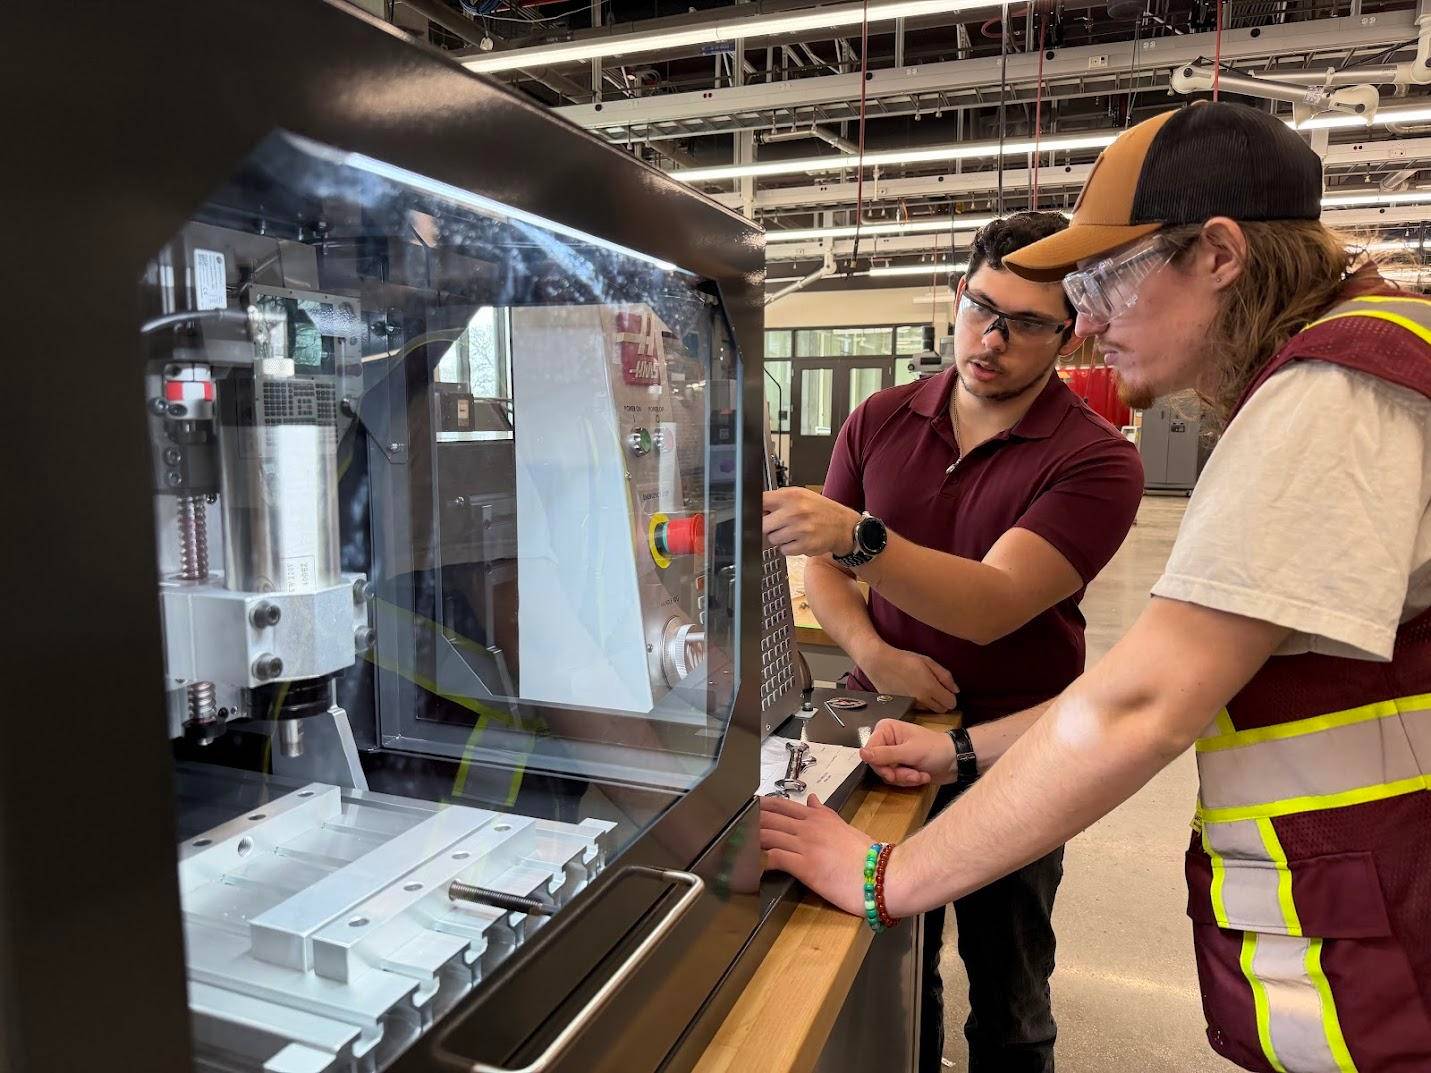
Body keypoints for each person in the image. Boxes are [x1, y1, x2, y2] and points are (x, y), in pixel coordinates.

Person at [761, 100, 1431, 1073]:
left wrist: (888, 873)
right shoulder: (1365, 361)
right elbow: (1181, 678)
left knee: (1009, 989)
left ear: (1219, 254)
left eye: (1108, 279)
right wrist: (959, 746)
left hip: (1396, 935)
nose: (1092, 323)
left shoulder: (1336, 389)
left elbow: (1144, 704)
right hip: (1376, 915)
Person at [761, 211, 1144, 1073]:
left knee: (1008, 983)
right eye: (980, 307)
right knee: (895, 960)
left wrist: (859, 538)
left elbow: (992, 604)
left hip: (1018, 746)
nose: (991, 339)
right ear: (956, 294)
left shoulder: (1094, 460)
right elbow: (825, 572)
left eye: (1027, 323)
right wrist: (876, 648)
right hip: (886, 725)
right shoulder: (882, 417)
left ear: (1072, 328)